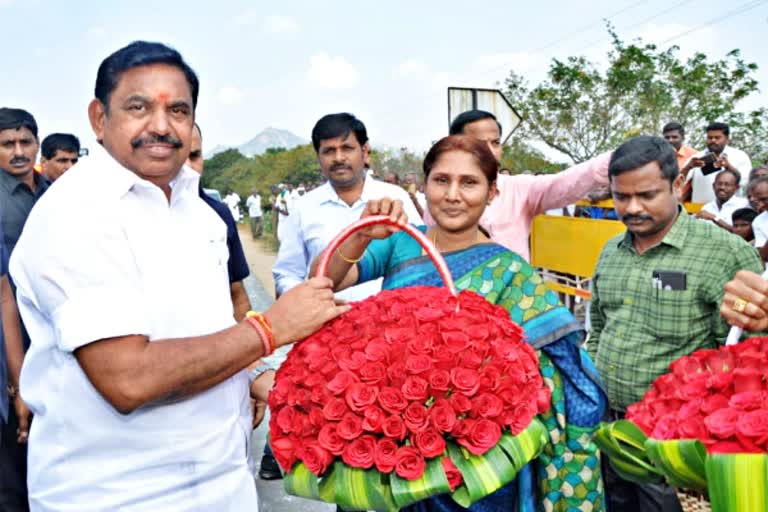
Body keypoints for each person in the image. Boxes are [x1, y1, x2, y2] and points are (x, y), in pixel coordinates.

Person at [8, 40, 347, 511]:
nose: (161, 127)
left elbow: (200, 331)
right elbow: (128, 380)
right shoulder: (75, 212)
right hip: (118, 497)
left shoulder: (198, 212)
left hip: (221, 486)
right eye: (139, 107)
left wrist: (256, 376)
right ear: (99, 118)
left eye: (179, 111)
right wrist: (269, 331)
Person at [315, 135, 607, 512]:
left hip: (477, 464)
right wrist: (360, 235)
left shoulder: (509, 269)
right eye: (441, 180)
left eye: (469, 182)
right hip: (393, 449)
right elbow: (323, 281)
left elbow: (553, 367)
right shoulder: (401, 244)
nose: (453, 194)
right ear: (424, 186)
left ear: (492, 193)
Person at [589, 135, 763, 512]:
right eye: (622, 197)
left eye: (647, 195)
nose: (632, 208)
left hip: (674, 444)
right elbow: (599, 325)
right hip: (610, 432)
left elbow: (748, 354)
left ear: (678, 186)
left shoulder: (725, 253)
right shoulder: (609, 252)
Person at [273, 113, 423, 302]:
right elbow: (287, 273)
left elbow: (418, 261)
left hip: (388, 323)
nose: (338, 158)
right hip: (325, 323)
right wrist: (304, 303)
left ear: (365, 151)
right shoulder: (304, 207)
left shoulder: (395, 198)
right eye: (329, 151)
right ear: (318, 157)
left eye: (347, 148)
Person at [442, 110, 610, 261]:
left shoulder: (520, 189)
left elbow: (568, 182)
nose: (490, 151)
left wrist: (620, 156)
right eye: (479, 143)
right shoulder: (440, 196)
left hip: (512, 293)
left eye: (495, 142)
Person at [0, 107, 49, 510]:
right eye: (6, 144)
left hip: (54, 335)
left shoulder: (53, 192)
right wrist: (18, 383)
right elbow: (4, 297)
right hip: (9, 340)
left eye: (25, 142)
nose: (18, 152)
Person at [186, 123, 252, 320]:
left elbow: (237, 292)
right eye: (179, 157)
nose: (188, 167)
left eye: (194, 156)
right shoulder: (131, 214)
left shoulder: (219, 213)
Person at [681, 122, 752, 203]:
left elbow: (746, 183)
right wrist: (688, 167)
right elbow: (678, 182)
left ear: (727, 139)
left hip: (731, 211)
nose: (713, 140)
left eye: (717, 138)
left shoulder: (740, 156)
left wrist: (728, 167)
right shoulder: (696, 158)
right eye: (710, 137)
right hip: (700, 211)